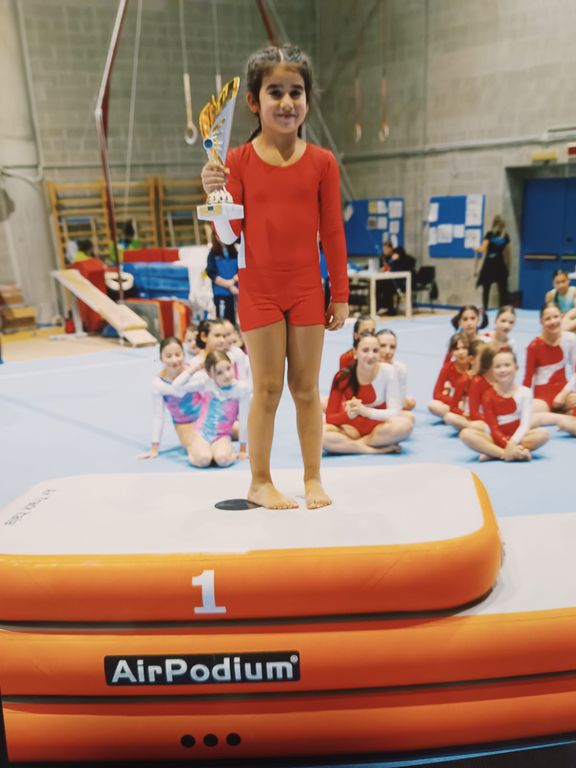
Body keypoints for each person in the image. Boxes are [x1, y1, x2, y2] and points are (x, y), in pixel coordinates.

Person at [201, 44, 349, 509]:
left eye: (296, 92)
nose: (287, 102)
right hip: (259, 289)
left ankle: (313, 478)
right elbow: (229, 235)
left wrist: (340, 293)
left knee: (306, 389)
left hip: (306, 288)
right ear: (253, 101)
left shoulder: (322, 162)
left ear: (307, 99)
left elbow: (333, 231)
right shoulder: (237, 161)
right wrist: (217, 197)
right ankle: (259, 482)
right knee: (267, 389)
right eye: (275, 92)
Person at [323, 331, 413, 454]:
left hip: (377, 428)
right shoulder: (342, 376)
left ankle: (353, 445)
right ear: (355, 353)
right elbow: (330, 417)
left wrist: (366, 412)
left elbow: (395, 412)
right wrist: (348, 416)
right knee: (320, 434)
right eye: (365, 350)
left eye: (375, 351)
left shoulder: (388, 371)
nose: (371, 355)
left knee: (405, 424)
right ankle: (371, 449)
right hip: (350, 428)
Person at [460, 347, 549, 461]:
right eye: (498, 367)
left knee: (543, 434)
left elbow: (525, 424)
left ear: (516, 368)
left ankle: (494, 452)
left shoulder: (525, 392)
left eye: (507, 365)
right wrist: (507, 445)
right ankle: (511, 453)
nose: (503, 370)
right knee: (466, 434)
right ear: (492, 370)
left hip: (518, 436)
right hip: (494, 437)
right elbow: (493, 427)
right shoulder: (488, 395)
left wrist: (512, 442)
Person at [173, 350, 250, 466]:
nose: (227, 375)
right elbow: (176, 386)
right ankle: (195, 450)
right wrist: (196, 367)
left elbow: (244, 419)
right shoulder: (207, 384)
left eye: (228, 368)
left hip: (222, 435)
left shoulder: (241, 389)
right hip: (202, 433)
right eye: (219, 373)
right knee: (204, 460)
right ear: (210, 375)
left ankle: (222, 451)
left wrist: (242, 449)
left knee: (222, 460)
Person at [138, 336, 204, 463]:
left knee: (240, 430)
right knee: (199, 453)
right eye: (168, 356)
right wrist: (154, 448)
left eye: (178, 354)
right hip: (184, 424)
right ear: (161, 358)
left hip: (205, 418)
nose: (174, 360)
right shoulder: (158, 383)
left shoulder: (195, 373)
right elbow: (158, 415)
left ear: (184, 355)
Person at [523, 302, 576, 415]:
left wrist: (564, 393)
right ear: (541, 322)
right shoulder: (533, 346)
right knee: (524, 413)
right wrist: (522, 401)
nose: (553, 322)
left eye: (556, 317)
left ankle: (560, 416)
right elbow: (527, 380)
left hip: (564, 393)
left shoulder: (570, 339)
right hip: (543, 397)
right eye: (548, 319)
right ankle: (559, 416)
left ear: (562, 316)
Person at [429, 333, 472, 418]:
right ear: (451, 352)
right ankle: (459, 416)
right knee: (433, 405)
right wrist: (457, 401)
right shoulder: (448, 367)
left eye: (464, 348)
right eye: (456, 349)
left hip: (473, 403)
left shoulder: (475, 366)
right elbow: (436, 394)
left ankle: (458, 417)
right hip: (457, 402)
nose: (461, 352)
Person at [474, 215, 510, 309]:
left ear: (493, 224)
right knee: (502, 290)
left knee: (486, 288)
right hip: (500, 264)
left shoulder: (489, 235)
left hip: (489, 264)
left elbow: (482, 249)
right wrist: (508, 267)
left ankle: (485, 308)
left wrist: (476, 249)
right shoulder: (505, 236)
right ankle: (503, 308)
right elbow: (508, 254)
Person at [376, 328, 416, 412]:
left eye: (392, 347)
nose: (388, 351)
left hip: (389, 407)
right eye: (382, 346)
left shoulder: (400, 368)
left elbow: (399, 402)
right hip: (371, 408)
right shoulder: (367, 367)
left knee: (410, 402)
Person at [206, 232, 239, 323]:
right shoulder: (213, 253)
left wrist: (234, 280)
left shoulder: (234, 252)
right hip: (221, 293)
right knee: (223, 320)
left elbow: (240, 269)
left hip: (236, 292)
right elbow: (211, 273)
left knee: (234, 320)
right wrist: (229, 285)